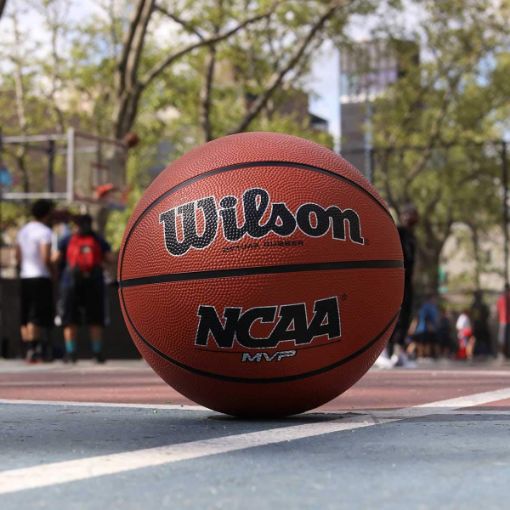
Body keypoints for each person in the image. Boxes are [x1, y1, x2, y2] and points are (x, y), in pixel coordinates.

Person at [54, 214, 112, 363]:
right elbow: (111, 259)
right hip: (94, 282)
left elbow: (55, 259)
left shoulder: (67, 239)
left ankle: (71, 353)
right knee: (95, 320)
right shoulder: (98, 240)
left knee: (70, 319)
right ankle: (97, 352)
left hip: (70, 283)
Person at [376, 204, 419, 368]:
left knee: (405, 317)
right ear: (402, 216)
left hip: (407, 282)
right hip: (395, 279)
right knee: (392, 315)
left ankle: (399, 354)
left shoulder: (412, 237)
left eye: (413, 214)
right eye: (407, 214)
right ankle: (383, 351)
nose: (410, 217)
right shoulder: (397, 232)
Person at [16, 199, 55, 363]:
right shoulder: (45, 232)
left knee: (25, 315)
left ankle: (28, 348)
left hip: (25, 276)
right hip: (40, 276)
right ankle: (34, 349)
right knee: (36, 315)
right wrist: (54, 271)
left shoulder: (23, 231)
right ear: (47, 213)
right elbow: (45, 256)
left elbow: (17, 256)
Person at [412, 293, 440, 359]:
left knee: (430, 342)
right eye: (434, 298)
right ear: (430, 299)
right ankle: (422, 356)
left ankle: (429, 356)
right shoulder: (426, 306)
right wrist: (429, 325)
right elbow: (425, 317)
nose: (435, 300)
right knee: (424, 343)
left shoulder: (433, 307)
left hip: (432, 328)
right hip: (424, 328)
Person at [470, 290, 492, 357]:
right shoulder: (480, 305)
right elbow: (486, 314)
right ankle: (483, 353)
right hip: (481, 326)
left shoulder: (474, 305)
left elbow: (474, 316)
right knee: (482, 340)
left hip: (478, 326)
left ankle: (478, 353)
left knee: (480, 340)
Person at [497, 284, 510, 358]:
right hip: (503, 321)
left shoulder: (501, 298)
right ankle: (503, 354)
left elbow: (498, 310)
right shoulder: (502, 298)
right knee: (503, 338)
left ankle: (503, 354)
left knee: (502, 338)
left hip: (503, 321)